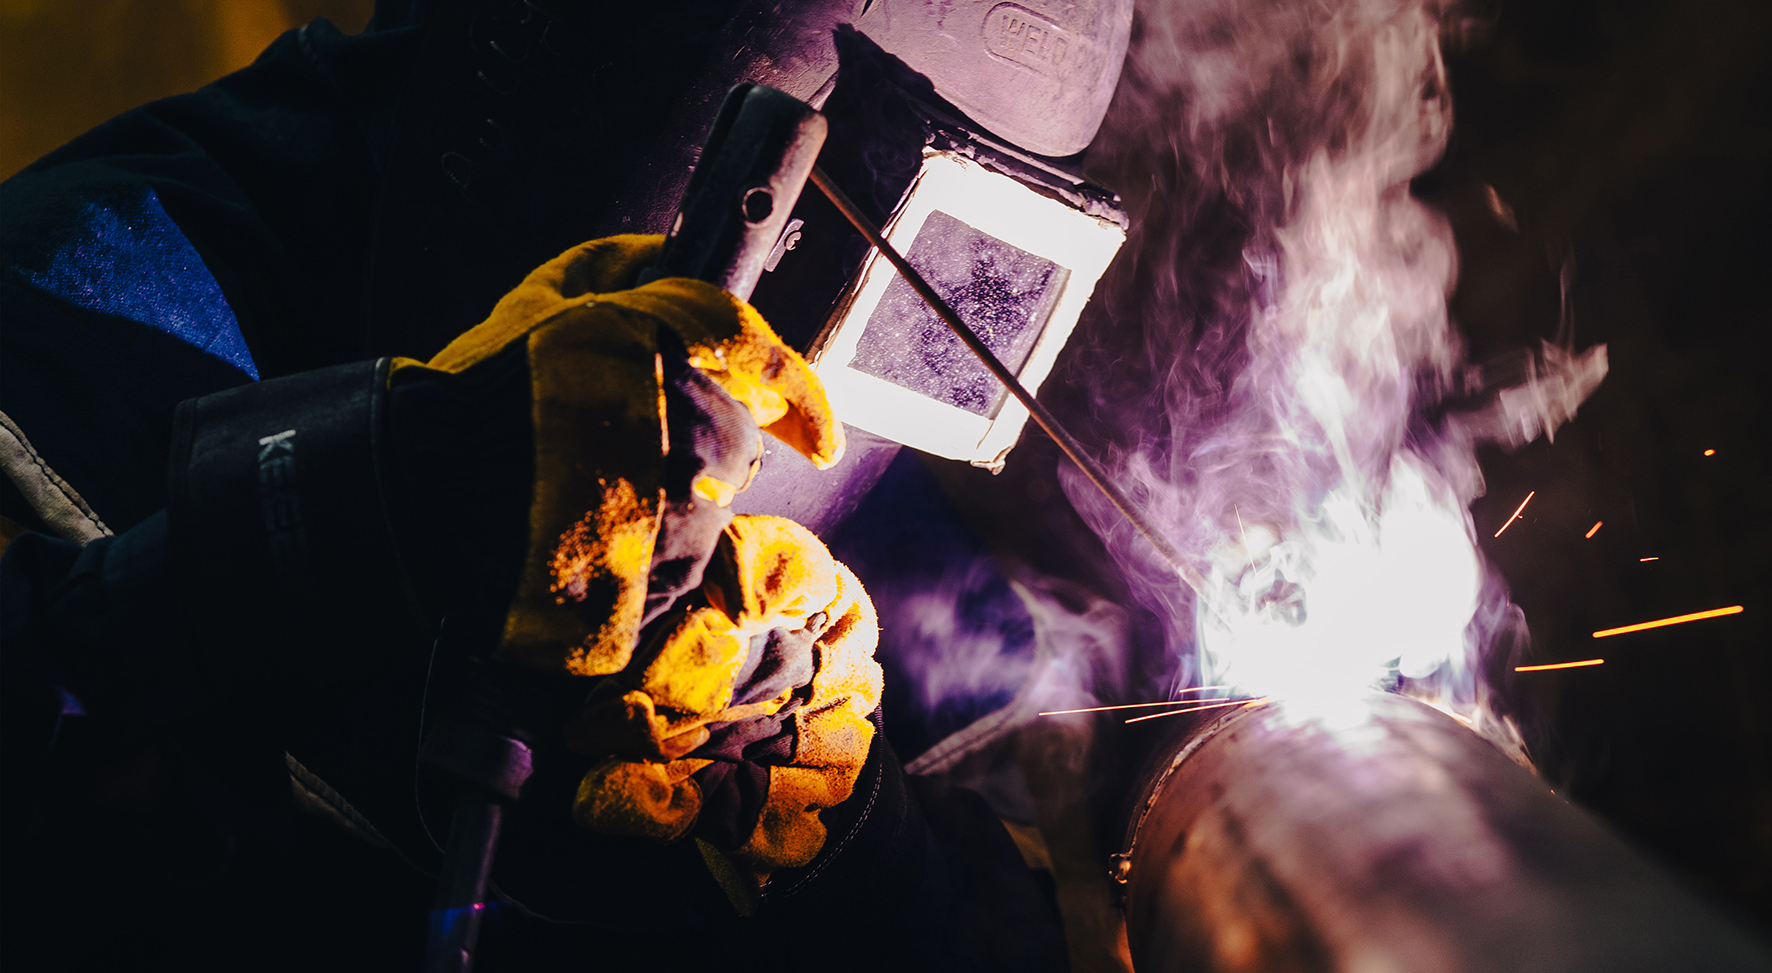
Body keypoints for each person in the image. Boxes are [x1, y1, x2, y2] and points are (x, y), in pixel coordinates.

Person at [0, 3, 955, 968]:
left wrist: (827, 820)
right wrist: (376, 496)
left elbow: (989, 931)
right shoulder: (80, 309)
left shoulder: (926, 541)